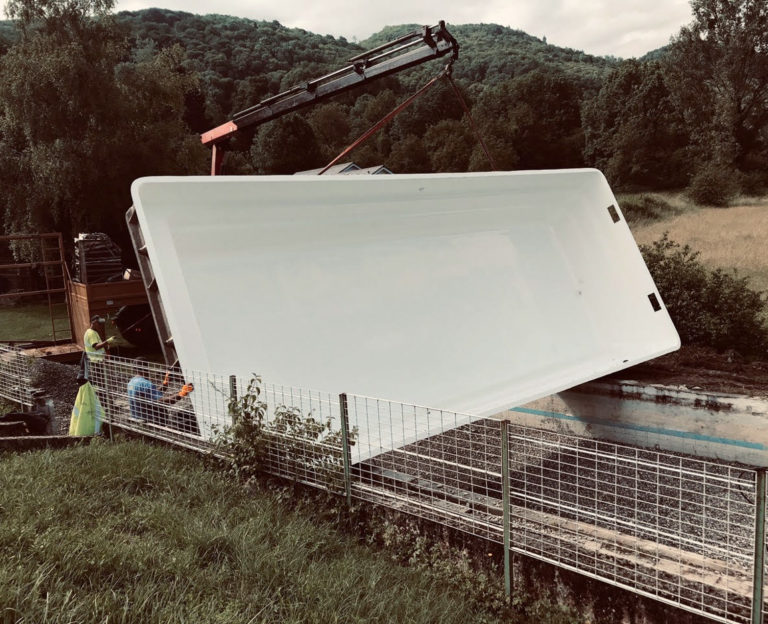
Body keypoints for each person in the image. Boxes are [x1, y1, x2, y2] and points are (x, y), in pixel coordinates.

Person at [127, 358, 194, 426]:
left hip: (137, 416)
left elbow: (151, 393)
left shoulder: (131, 382)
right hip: (150, 420)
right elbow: (163, 402)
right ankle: (162, 428)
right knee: (162, 409)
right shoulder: (146, 384)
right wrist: (181, 393)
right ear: (146, 368)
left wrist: (165, 383)